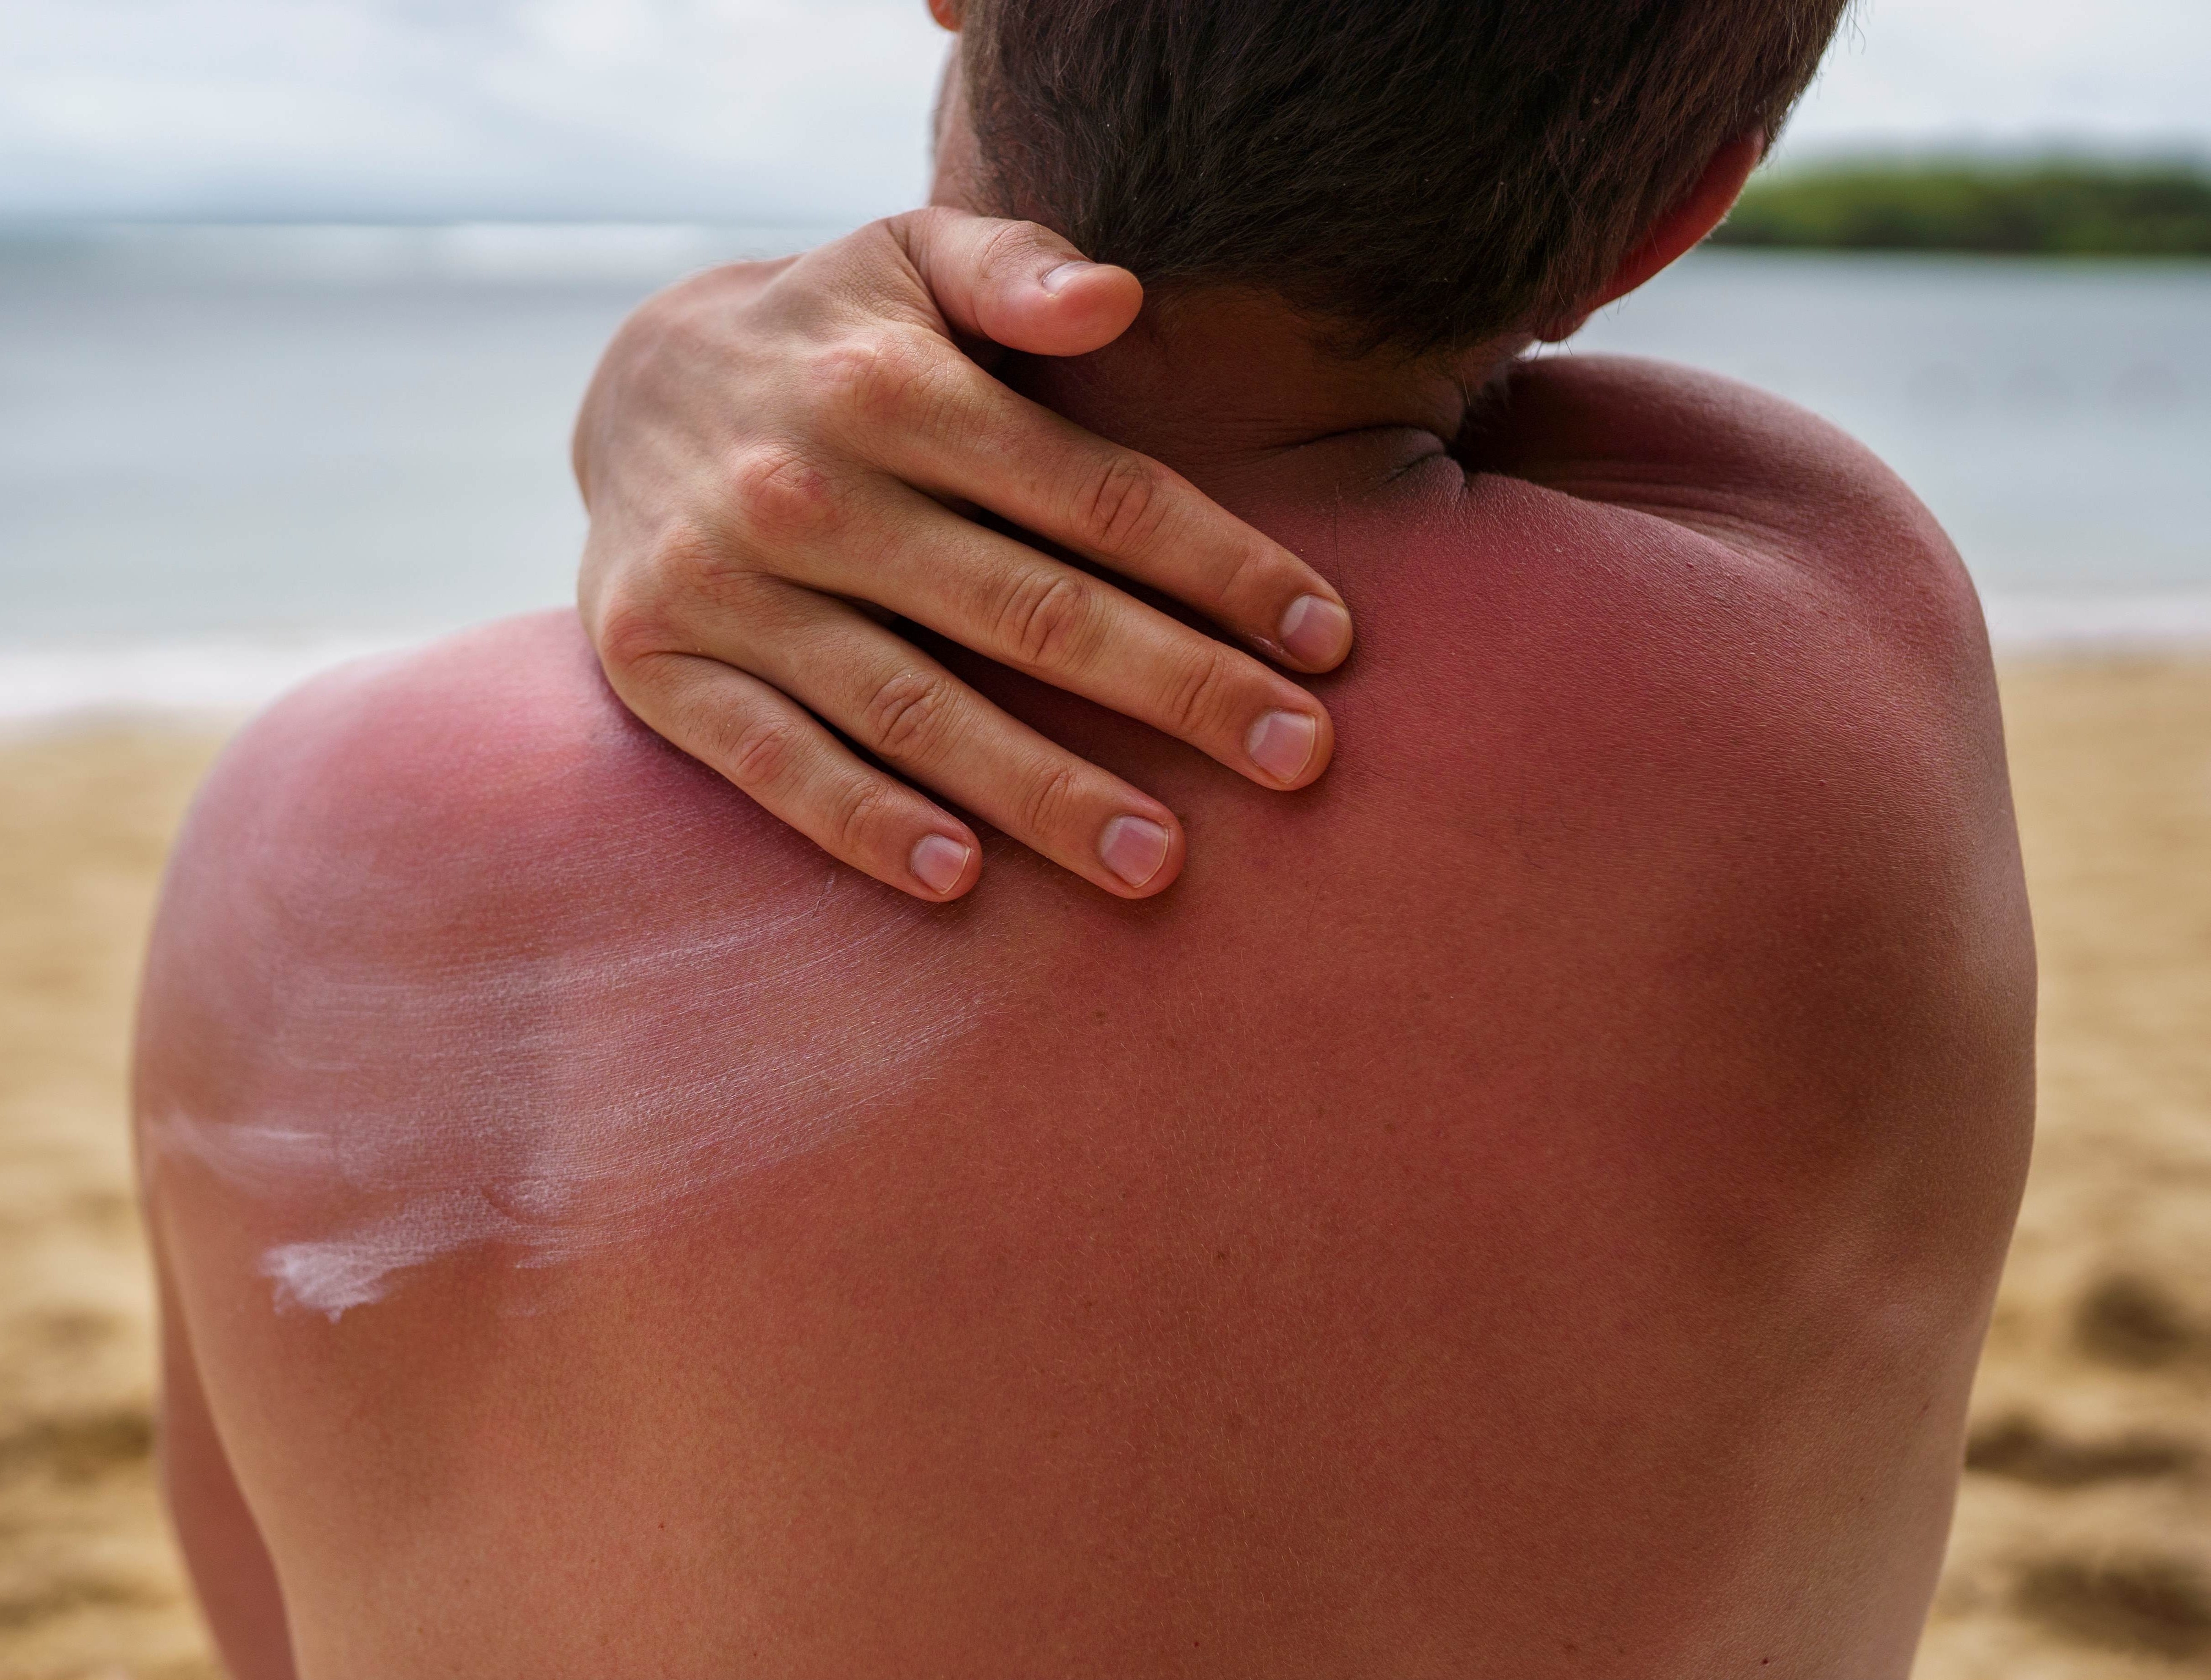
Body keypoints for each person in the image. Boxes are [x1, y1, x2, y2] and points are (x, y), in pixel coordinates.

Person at [136, 1, 2036, 1675]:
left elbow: (269, 1614)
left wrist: (669, 347)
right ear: (1676, 216)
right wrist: (696, 347)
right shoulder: (1816, 671)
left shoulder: (316, 826)